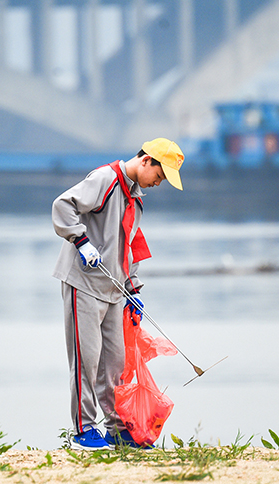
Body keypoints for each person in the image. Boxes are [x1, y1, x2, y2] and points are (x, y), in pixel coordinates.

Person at [52, 138, 185, 450]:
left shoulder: (134, 197)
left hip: (114, 289)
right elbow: (63, 205)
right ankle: (84, 430)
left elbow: (131, 245)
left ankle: (116, 429)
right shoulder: (106, 180)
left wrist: (133, 289)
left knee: (115, 364)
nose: (157, 183)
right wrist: (80, 240)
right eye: (160, 176)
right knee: (86, 360)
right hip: (83, 283)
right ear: (147, 161)